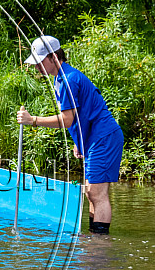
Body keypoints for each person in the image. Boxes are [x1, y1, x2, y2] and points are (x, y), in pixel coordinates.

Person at [17, 35, 124, 234]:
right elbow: (83, 112)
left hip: (104, 138)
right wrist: (78, 142)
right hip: (94, 138)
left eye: (40, 62)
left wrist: (33, 120)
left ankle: (100, 244)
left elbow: (67, 120)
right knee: (92, 194)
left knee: (96, 194)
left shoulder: (67, 79)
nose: (37, 67)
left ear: (54, 58)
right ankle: (95, 237)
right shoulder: (61, 78)